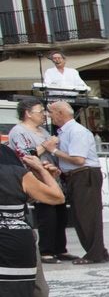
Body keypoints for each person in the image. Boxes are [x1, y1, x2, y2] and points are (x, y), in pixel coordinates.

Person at [0, 142, 62, 297]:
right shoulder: (16, 169)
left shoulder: (10, 156)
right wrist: (41, 171)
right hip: (20, 238)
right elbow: (56, 196)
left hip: (11, 239)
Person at [46, 100, 109, 265]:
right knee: (81, 215)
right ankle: (98, 251)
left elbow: (79, 159)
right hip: (76, 176)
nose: (49, 116)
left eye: (51, 112)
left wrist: (53, 151)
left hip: (84, 174)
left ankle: (95, 254)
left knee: (87, 215)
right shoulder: (65, 132)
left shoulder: (76, 131)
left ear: (61, 113)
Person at [7, 99, 71, 262]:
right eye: (40, 111)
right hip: (36, 176)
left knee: (60, 213)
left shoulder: (43, 130)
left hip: (53, 175)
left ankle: (60, 248)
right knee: (46, 214)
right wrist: (47, 145)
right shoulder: (18, 131)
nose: (44, 115)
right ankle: (46, 250)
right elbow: (25, 155)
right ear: (28, 113)